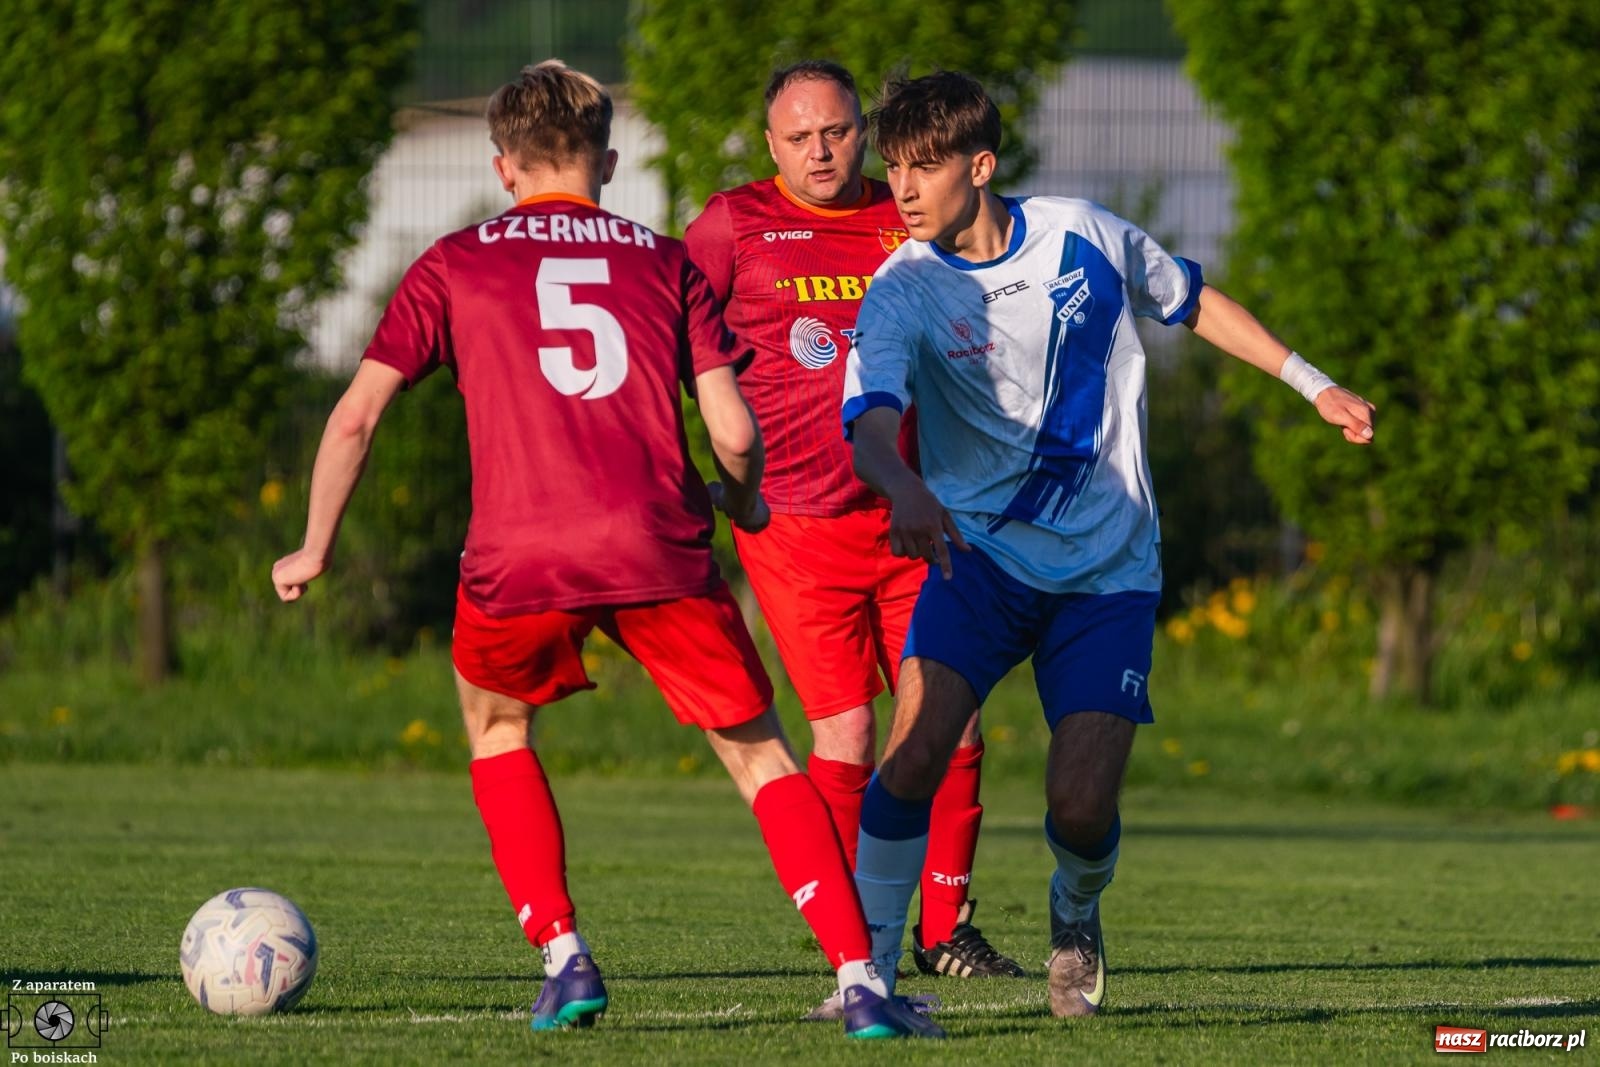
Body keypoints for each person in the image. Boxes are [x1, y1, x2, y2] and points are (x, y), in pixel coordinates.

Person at [271, 60, 940, 1041]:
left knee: (499, 730)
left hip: (518, 550)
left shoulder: (453, 263)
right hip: (657, 540)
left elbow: (355, 418)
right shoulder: (665, 263)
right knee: (762, 756)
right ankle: (859, 978)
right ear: (609, 162)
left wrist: (313, 546)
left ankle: (563, 953)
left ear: (503, 167)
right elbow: (734, 429)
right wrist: (743, 500)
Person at [842, 71, 1376, 1020]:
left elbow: (1193, 301)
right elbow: (871, 423)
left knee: (1082, 806)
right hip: (980, 563)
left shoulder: (1083, 235)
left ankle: (1076, 911)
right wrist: (905, 484)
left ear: (981, 165)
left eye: (925, 167)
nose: (904, 190)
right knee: (914, 752)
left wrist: (1313, 383)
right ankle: (868, 973)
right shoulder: (903, 289)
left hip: (1107, 571)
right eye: (894, 168)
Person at [683, 60, 1022, 992]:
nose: (820, 151)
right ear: (770, 145)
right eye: (799, 137)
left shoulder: (904, 214)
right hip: (795, 528)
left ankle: (946, 929)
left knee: (955, 722)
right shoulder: (730, 225)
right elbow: (668, 339)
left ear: (862, 133)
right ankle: (855, 944)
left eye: (836, 131)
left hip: (914, 516)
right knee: (848, 738)